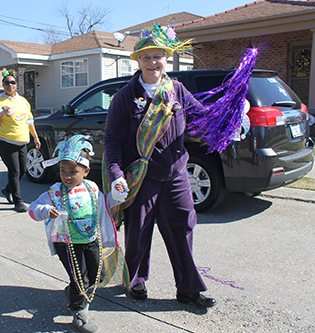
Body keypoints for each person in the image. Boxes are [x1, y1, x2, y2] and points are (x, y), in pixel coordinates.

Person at [103, 24, 216, 307]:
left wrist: (231, 119)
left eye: (158, 56)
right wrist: (116, 175)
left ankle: (188, 288)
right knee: (138, 231)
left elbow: (202, 119)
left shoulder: (176, 89)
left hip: (176, 175)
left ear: (166, 58)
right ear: (138, 61)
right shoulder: (125, 97)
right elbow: (112, 141)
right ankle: (136, 280)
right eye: (146, 57)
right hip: (141, 177)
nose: (153, 62)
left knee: (182, 228)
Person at [28, 135, 126, 333]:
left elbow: (108, 204)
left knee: (98, 275)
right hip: (67, 243)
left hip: (91, 240)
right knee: (80, 279)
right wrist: (45, 210)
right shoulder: (55, 192)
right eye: (63, 171)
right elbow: (33, 208)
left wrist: (117, 192)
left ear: (86, 171)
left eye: (73, 171)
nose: (66, 176)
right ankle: (79, 314)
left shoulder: (92, 189)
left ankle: (74, 292)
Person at [0, 68, 41, 213]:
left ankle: (7, 190)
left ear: (16, 85)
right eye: (7, 83)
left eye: (12, 82)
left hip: (23, 141)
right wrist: (1, 112)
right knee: (14, 171)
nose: (10, 85)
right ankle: (18, 201)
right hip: (6, 142)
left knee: (23, 170)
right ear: (3, 85)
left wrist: (35, 137)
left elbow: (29, 121)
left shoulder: (23, 101)